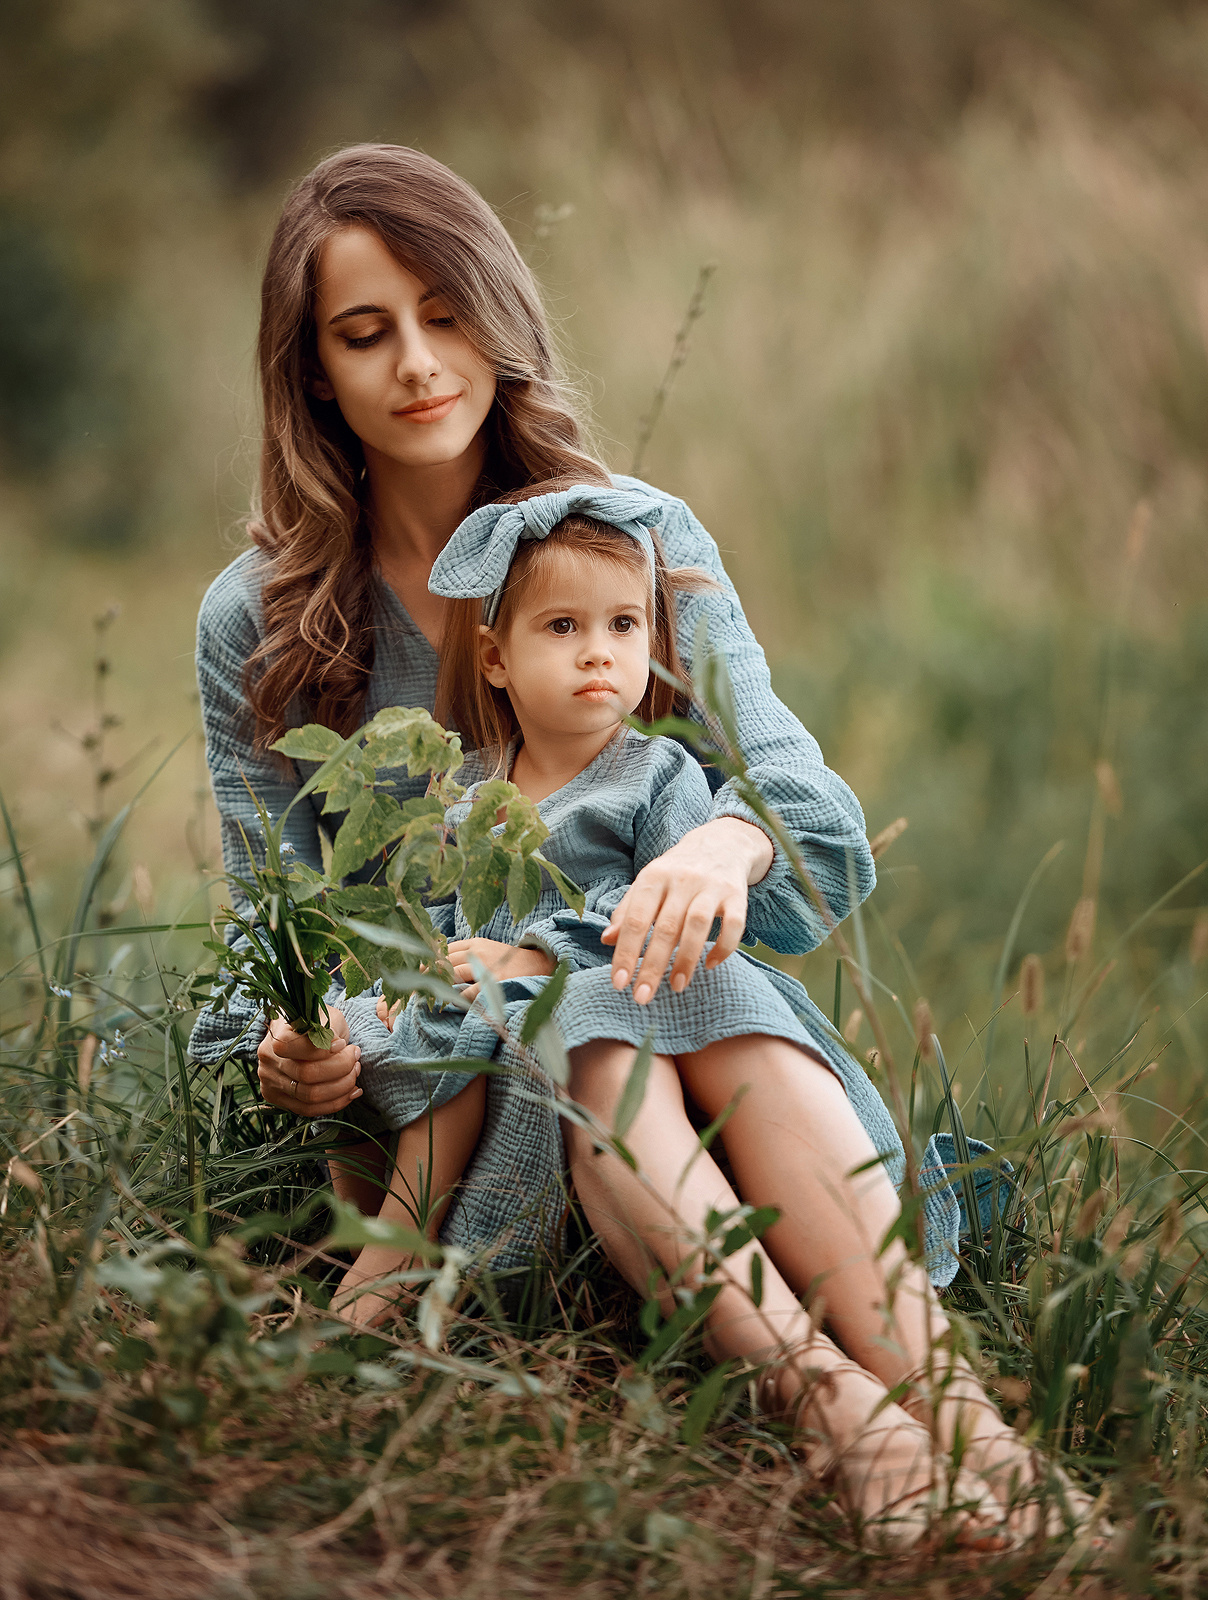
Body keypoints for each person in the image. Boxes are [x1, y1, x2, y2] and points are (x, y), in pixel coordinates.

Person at [189, 144, 1093, 1548]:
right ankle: (845, 1420)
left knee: (638, 986)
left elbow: (809, 814)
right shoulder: (258, 619)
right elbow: (270, 939)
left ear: (500, 313)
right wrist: (313, 1042)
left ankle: (967, 1429)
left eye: (446, 313)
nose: (420, 363)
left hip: (706, 1093)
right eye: (365, 335)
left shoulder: (636, 540)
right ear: (312, 372)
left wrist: (721, 846)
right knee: (583, 1004)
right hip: (455, 1120)